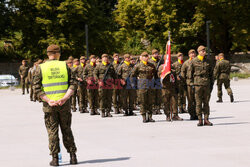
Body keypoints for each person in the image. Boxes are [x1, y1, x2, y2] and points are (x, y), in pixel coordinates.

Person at [33, 44, 77, 166]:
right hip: (64, 104)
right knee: (67, 129)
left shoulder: (40, 68)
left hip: (49, 105)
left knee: (52, 131)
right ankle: (73, 156)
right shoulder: (65, 65)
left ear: (48, 54)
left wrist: (48, 100)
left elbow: (36, 88)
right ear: (58, 54)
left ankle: (55, 159)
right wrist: (65, 98)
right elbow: (73, 83)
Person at [189, 45, 213, 126]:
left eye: (205, 51)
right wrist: (192, 84)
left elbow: (211, 74)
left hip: (206, 84)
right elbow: (190, 74)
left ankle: (206, 119)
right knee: (198, 103)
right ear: (199, 52)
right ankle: (200, 119)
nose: (204, 52)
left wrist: (211, 84)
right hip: (197, 85)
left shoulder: (208, 61)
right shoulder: (193, 61)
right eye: (202, 51)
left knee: (206, 103)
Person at [131, 52, 156, 123]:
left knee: (150, 102)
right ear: (141, 57)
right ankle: (144, 117)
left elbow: (156, 75)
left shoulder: (152, 65)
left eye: (146, 56)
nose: (145, 57)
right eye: (144, 56)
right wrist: (134, 84)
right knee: (143, 101)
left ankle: (150, 117)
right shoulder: (138, 66)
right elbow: (132, 75)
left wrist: (156, 83)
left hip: (150, 86)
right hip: (141, 86)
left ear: (148, 57)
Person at [181, 49, 198, 120]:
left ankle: (197, 114)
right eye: (191, 53)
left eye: (194, 53)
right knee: (190, 100)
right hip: (189, 84)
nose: (193, 55)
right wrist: (183, 82)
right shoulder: (186, 63)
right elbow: (183, 73)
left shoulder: (198, 62)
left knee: (197, 100)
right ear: (189, 55)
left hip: (197, 83)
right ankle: (192, 114)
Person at [148, 49, 162, 115]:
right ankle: (153, 109)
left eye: (157, 53)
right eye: (154, 53)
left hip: (158, 79)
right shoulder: (150, 61)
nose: (156, 54)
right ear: (152, 54)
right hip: (152, 79)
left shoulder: (160, 61)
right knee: (152, 95)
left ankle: (158, 108)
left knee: (158, 95)